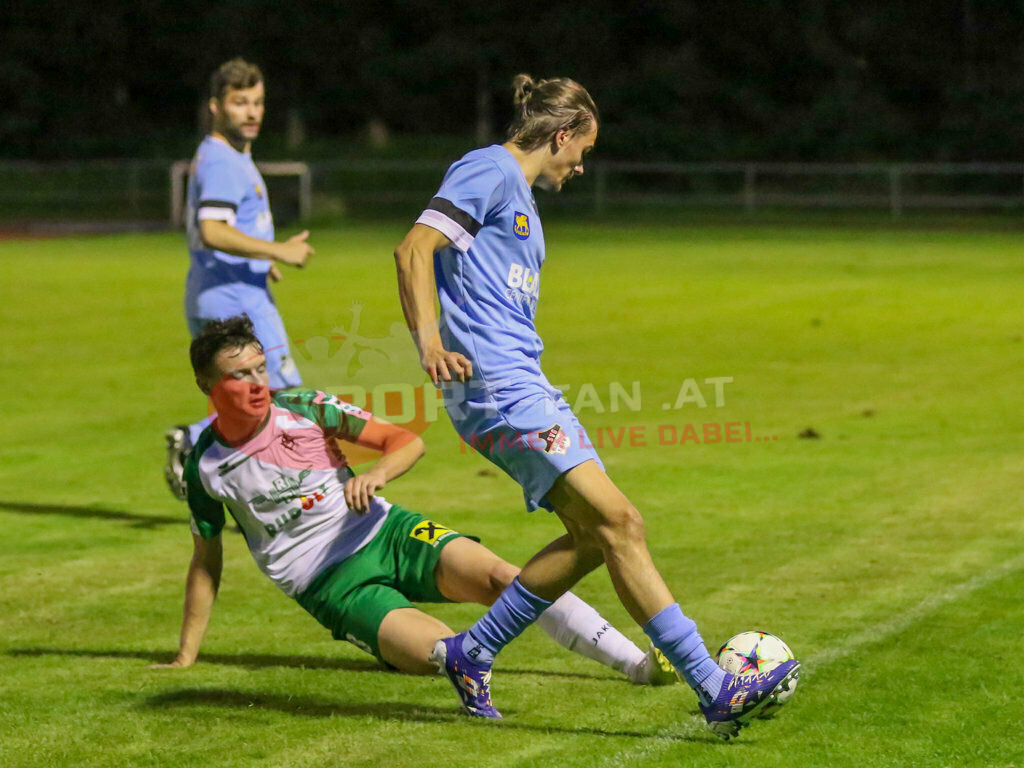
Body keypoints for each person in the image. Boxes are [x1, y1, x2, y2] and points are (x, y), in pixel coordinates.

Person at [393, 74, 799, 738]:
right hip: (499, 388)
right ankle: (714, 687)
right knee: (622, 522)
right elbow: (414, 249)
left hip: (524, 384)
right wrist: (430, 342)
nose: (582, 164)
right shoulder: (489, 169)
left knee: (592, 539)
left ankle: (474, 651)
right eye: (582, 149)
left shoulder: (519, 195)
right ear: (559, 135)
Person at [152, 315, 678, 693]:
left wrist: (377, 473)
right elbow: (206, 561)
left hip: (387, 533)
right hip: (329, 583)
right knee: (445, 656)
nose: (256, 383)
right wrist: (186, 655)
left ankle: (638, 666)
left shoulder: (305, 407)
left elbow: (405, 440)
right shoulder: (204, 465)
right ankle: (400, 646)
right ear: (206, 385)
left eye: (260, 368)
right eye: (238, 375)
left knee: (503, 578)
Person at [164, 57, 315, 500]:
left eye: (258, 102)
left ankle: (251, 484)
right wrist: (278, 250)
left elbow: (224, 228)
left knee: (256, 401)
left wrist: (259, 259)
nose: (251, 112)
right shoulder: (224, 161)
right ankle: (199, 444)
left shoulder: (224, 156)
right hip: (235, 300)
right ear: (216, 107)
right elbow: (213, 230)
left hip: (219, 290)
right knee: (283, 398)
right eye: (240, 103)